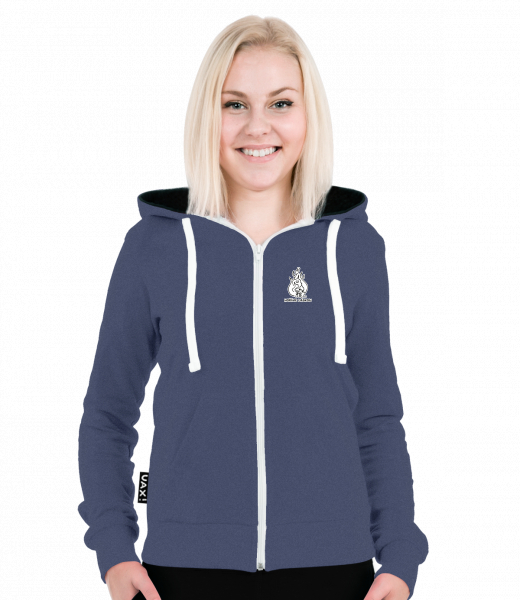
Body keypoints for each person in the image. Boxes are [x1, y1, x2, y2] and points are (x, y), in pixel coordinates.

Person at [77, 15, 428, 600]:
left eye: (281, 103)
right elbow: (109, 415)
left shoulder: (354, 248)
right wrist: (116, 546)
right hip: (182, 572)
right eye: (234, 104)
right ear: (207, 116)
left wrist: (399, 555)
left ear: (308, 117)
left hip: (334, 569)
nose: (258, 126)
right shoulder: (155, 248)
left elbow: (377, 417)